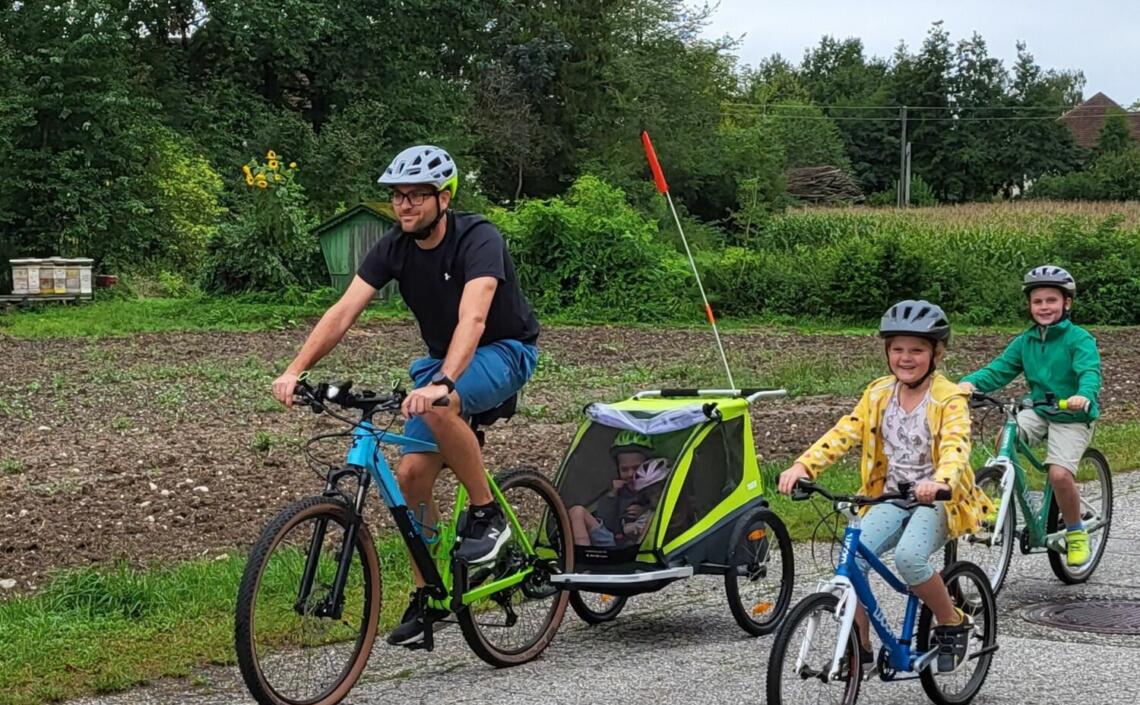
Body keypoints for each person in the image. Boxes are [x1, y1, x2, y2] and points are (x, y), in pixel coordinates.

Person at [270, 144, 540, 646]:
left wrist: (444, 383)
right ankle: (429, 593)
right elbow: (344, 311)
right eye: (398, 196)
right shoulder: (393, 247)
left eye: (417, 196)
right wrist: (295, 368)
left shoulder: (477, 237)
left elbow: (474, 318)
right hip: (442, 361)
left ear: (444, 198)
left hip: (504, 349)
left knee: (439, 405)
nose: (405, 206)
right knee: (411, 475)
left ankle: (488, 514)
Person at [777, 300, 992, 672]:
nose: (906, 358)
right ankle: (858, 648)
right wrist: (803, 465)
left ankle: (951, 621)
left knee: (910, 558)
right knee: (852, 560)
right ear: (887, 352)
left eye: (917, 350)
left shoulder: (949, 398)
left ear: (936, 353)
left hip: (938, 500)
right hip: (890, 495)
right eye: (897, 349)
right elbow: (844, 432)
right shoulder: (878, 393)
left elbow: (957, 448)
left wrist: (939, 482)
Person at [958, 265, 1102, 567]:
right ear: (1030, 305)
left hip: (1071, 414)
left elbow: (1089, 372)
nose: (1044, 307)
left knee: (1059, 474)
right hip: (1039, 410)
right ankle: (1007, 498)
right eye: (1038, 301)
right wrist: (968, 385)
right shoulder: (1026, 341)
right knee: (1004, 441)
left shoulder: (1079, 339)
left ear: (1067, 303)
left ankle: (1075, 532)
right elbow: (998, 370)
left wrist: (1084, 396)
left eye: (1052, 300)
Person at [568, 432, 655, 547]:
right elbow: (605, 520)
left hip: (638, 545)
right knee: (576, 511)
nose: (630, 474)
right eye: (624, 469)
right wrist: (612, 495)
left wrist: (644, 511)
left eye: (636, 468)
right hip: (612, 540)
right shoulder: (618, 491)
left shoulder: (653, 489)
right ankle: (581, 554)